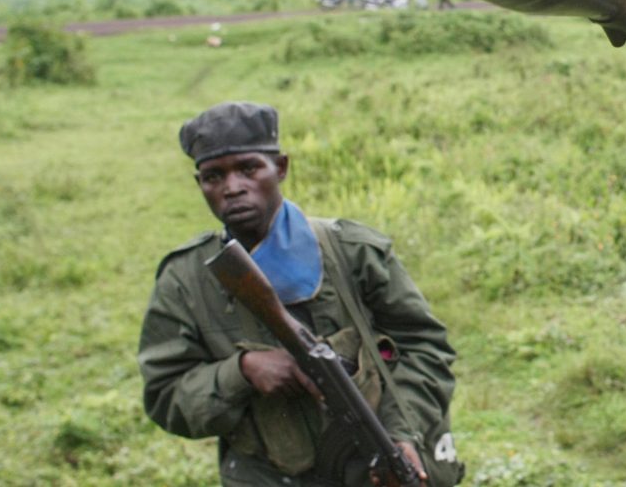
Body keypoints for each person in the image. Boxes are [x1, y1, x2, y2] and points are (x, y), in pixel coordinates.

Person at [138, 102, 464, 487]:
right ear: (200, 185)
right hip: (268, 475)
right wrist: (241, 372)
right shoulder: (185, 280)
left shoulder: (354, 252)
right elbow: (165, 394)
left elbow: (425, 348)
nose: (233, 188)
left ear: (281, 167)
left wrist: (401, 434)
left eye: (248, 169)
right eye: (213, 176)